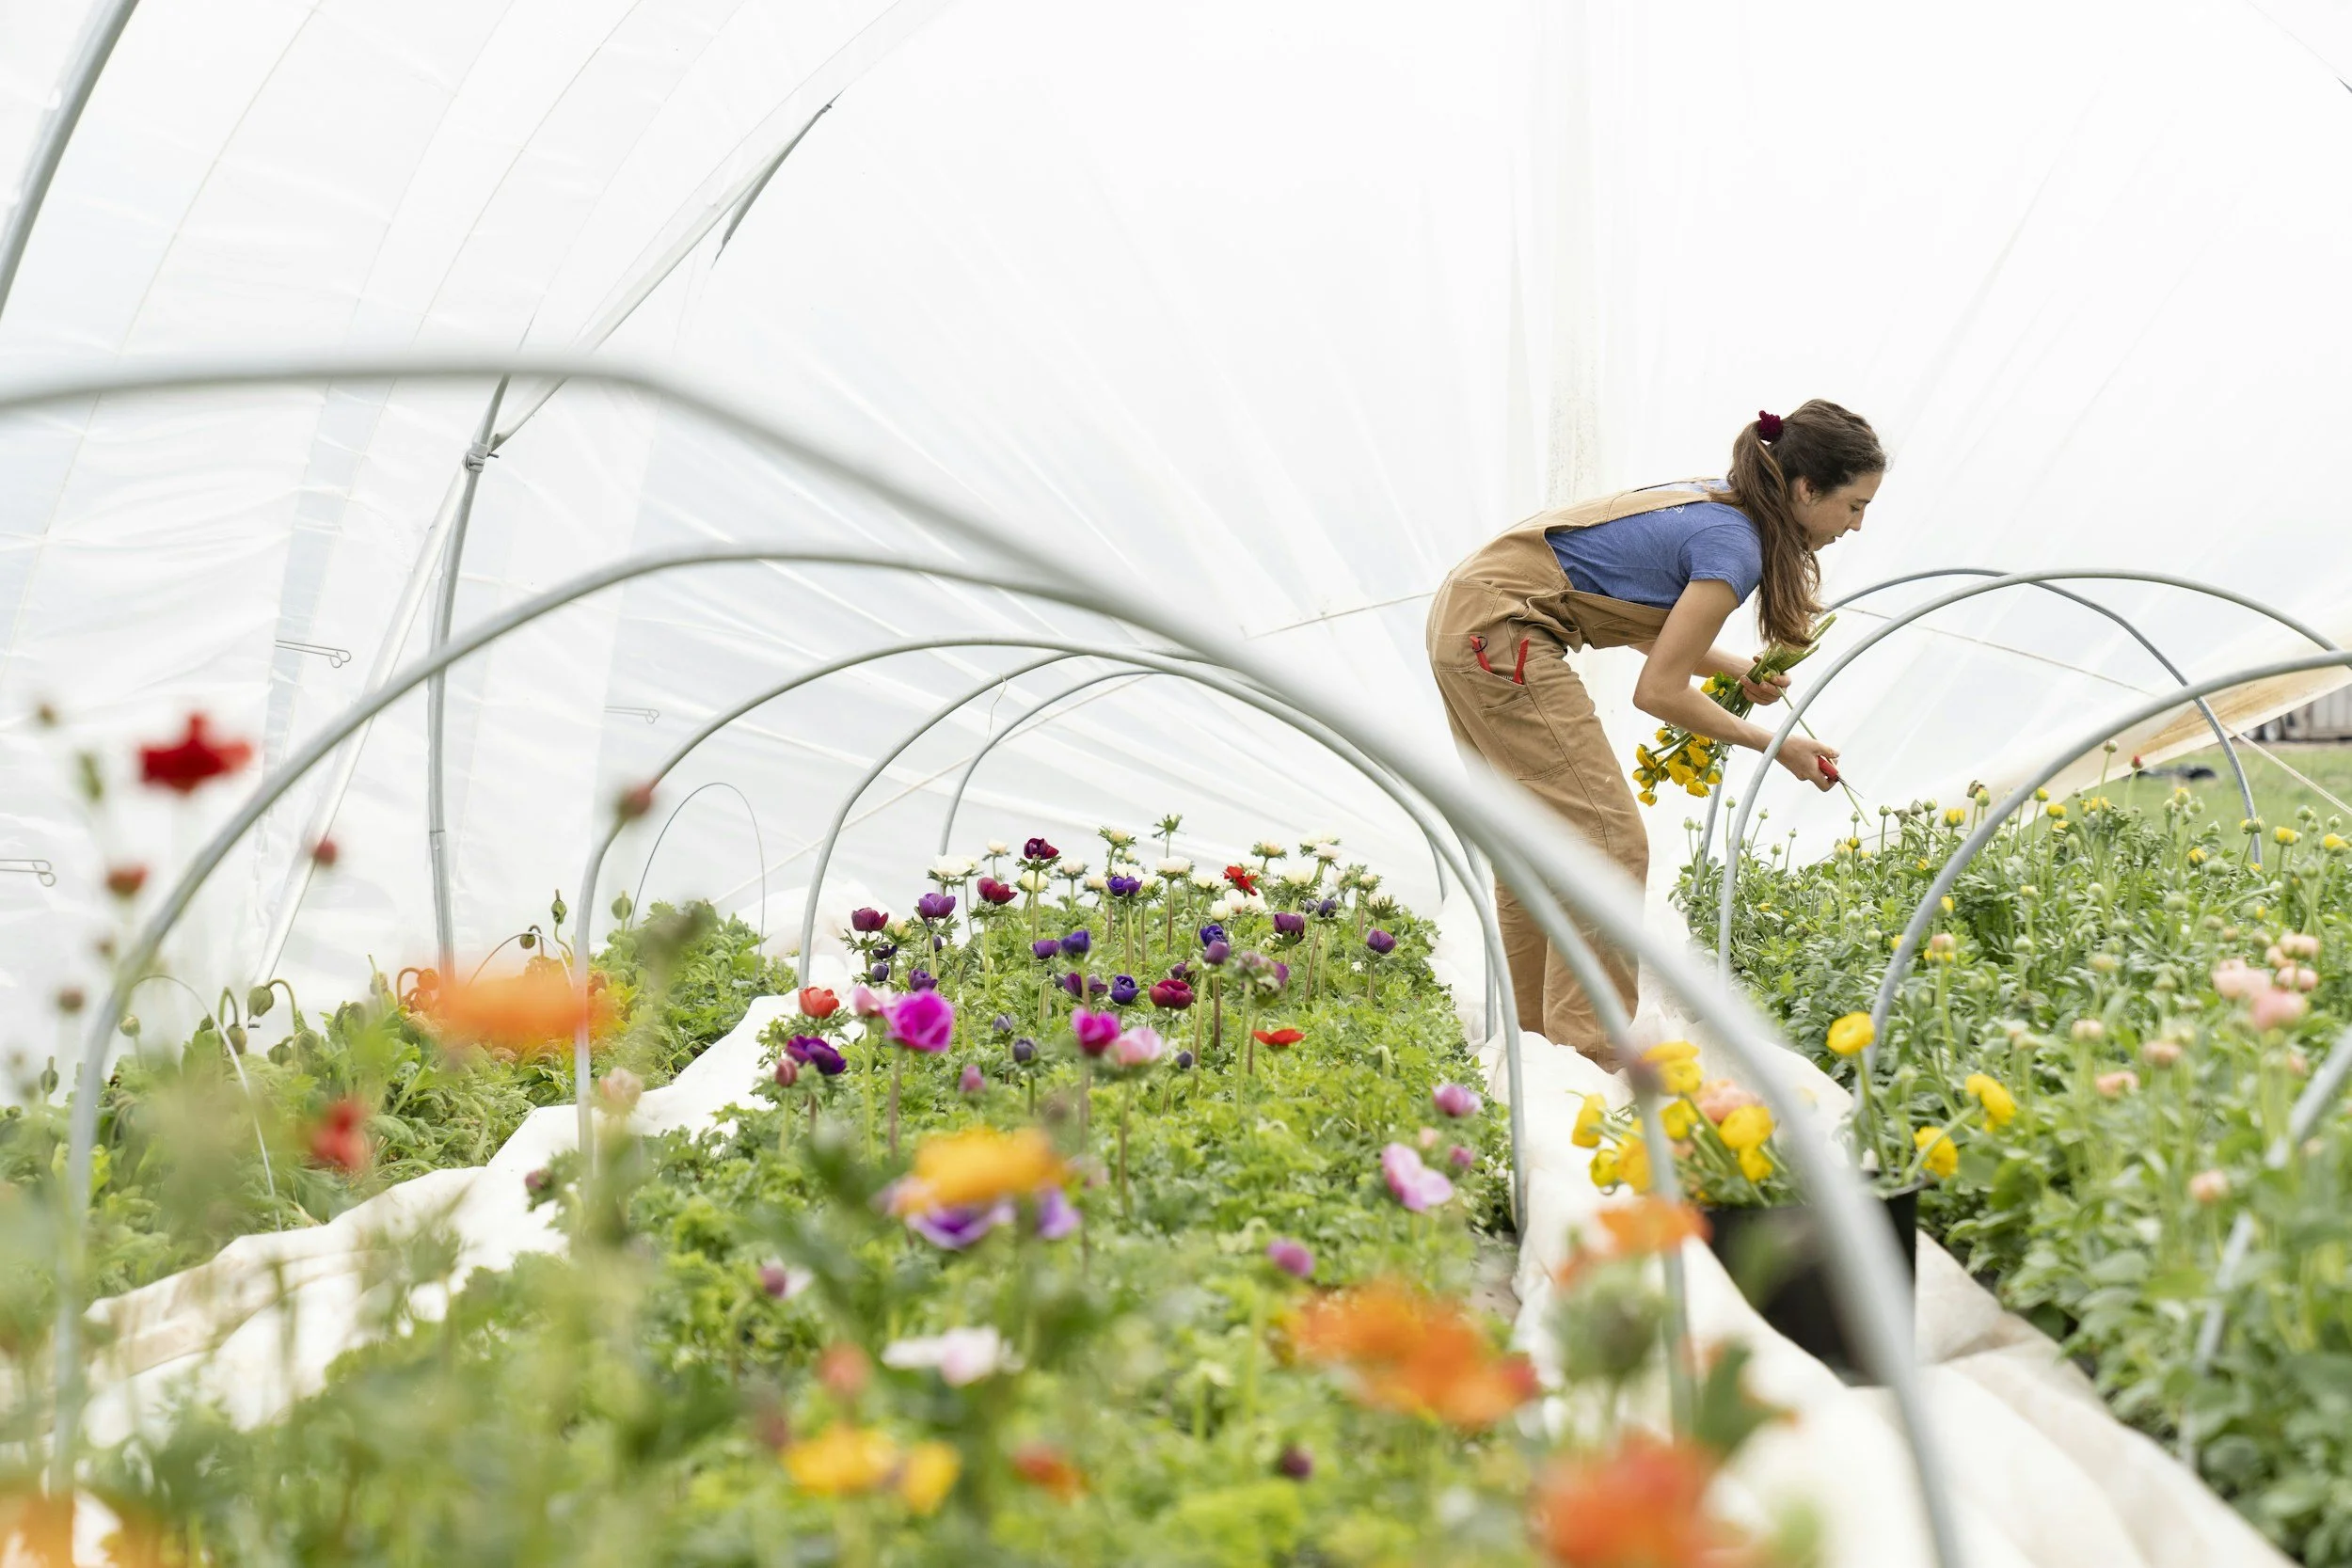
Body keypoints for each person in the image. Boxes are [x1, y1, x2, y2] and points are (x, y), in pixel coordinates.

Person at [1425, 401, 1884, 1065]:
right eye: (1854, 505)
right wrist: (1776, 746)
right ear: (1807, 489)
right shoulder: (1737, 543)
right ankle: (1589, 1055)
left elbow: (1651, 629)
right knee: (1611, 843)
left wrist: (1734, 666)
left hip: (1471, 619)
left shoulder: (1720, 503)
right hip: (1502, 633)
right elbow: (1660, 691)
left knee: (1533, 845)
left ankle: (1531, 1057)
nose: (1858, 524)